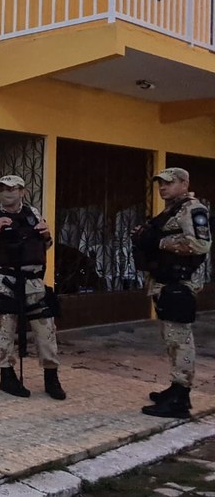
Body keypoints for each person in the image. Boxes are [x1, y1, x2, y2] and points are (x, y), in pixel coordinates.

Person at [0, 175, 66, 400]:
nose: (7, 193)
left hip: (33, 281)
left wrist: (47, 235)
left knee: (46, 329)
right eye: (2, 189)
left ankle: (51, 377)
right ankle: (7, 376)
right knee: (5, 330)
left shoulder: (33, 213)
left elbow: (45, 245)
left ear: (22, 191)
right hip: (4, 281)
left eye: (12, 189)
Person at [132, 167, 210, 419]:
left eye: (169, 183)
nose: (163, 187)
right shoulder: (171, 211)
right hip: (166, 283)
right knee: (172, 340)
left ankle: (180, 399)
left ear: (184, 183)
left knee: (180, 340)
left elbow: (200, 244)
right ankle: (176, 388)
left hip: (180, 284)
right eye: (161, 184)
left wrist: (158, 242)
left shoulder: (193, 209)